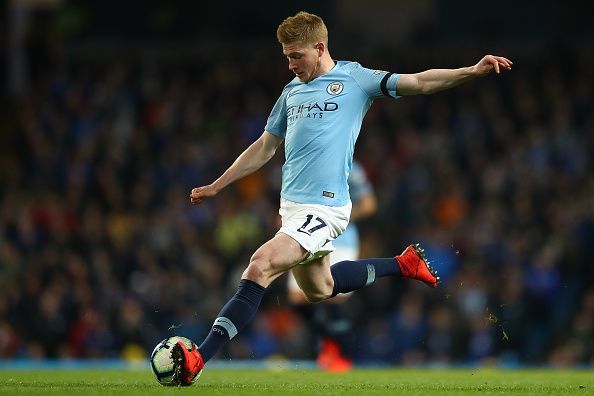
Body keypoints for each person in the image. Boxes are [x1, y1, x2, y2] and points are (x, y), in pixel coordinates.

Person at [171, 11, 512, 385]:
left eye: (296, 55)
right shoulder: (291, 92)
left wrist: (471, 70)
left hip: (327, 206)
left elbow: (419, 81)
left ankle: (199, 357)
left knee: (260, 265)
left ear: (319, 48)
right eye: (285, 56)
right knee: (321, 290)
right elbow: (266, 147)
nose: (290, 64)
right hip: (293, 210)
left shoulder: (355, 79)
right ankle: (402, 264)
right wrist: (219, 184)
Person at [286, 160, 376, 371]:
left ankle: (340, 353)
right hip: (306, 236)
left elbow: (369, 204)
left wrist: (337, 220)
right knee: (299, 299)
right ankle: (329, 342)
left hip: (340, 239)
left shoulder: (350, 167)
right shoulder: (301, 162)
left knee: (333, 298)